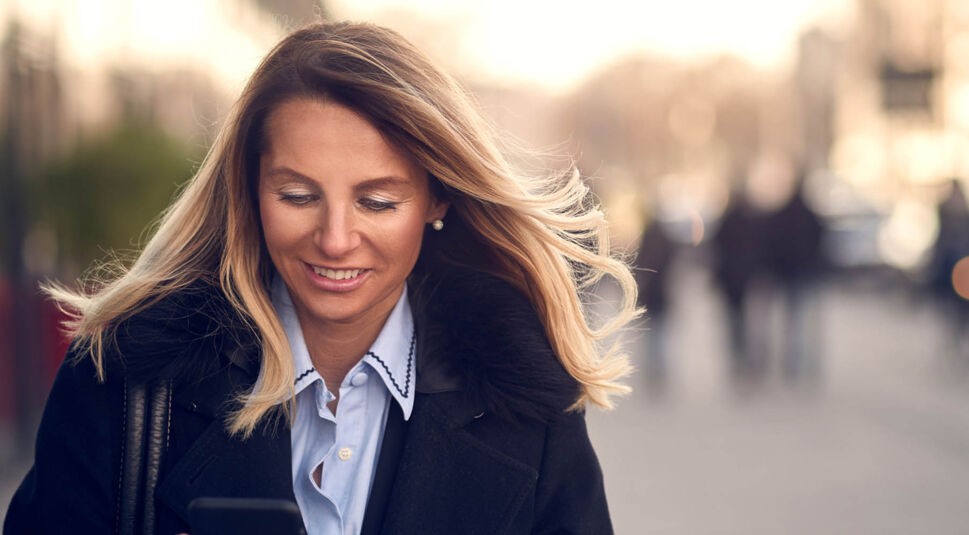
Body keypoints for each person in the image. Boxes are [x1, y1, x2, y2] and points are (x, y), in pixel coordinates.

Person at [4, 21, 638, 535]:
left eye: (377, 202)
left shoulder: (529, 406)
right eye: (298, 195)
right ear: (250, 188)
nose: (335, 239)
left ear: (438, 198)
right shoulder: (122, 374)